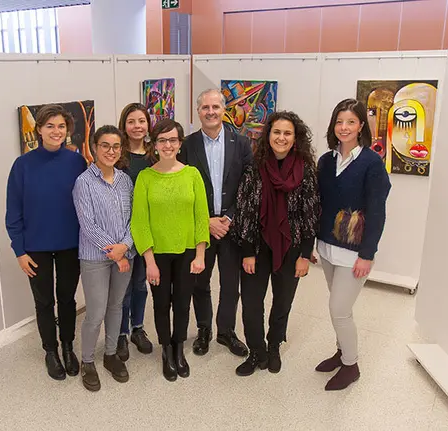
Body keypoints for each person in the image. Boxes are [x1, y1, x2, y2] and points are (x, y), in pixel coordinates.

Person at [230, 111, 320, 376]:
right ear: (268, 135)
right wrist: (247, 252)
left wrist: (305, 254)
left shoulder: (306, 170)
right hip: (256, 248)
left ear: (295, 138)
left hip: (291, 249)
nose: (281, 138)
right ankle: (256, 350)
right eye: (276, 132)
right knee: (251, 302)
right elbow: (245, 210)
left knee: (282, 302)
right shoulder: (253, 168)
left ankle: (274, 346)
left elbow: (311, 214)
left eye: (287, 133)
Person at [5, 104, 87, 381]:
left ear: (68, 130)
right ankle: (50, 351)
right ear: (38, 130)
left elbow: (86, 203)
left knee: (66, 299)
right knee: (43, 301)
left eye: (61, 126)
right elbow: (13, 210)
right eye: (50, 126)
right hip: (35, 247)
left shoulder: (76, 162)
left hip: (70, 244)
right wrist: (19, 250)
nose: (56, 131)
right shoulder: (23, 165)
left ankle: (67, 346)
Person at [314, 98, 391, 391]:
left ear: (361, 127)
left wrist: (367, 255)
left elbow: (377, 211)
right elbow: (319, 204)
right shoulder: (326, 160)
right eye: (339, 122)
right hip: (327, 249)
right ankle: (341, 351)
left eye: (350, 122)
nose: (344, 127)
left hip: (354, 253)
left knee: (339, 310)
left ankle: (351, 365)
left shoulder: (372, 163)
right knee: (339, 307)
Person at [131, 118, 209, 382]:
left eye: (172, 140)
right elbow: (139, 222)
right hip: (158, 254)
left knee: (183, 303)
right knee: (162, 303)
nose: (167, 145)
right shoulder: (145, 177)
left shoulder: (192, 174)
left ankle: (178, 348)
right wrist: (149, 261)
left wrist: (200, 255)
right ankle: (165, 349)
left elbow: (201, 217)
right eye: (162, 140)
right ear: (154, 144)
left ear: (179, 143)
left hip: (187, 251)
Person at [180, 88, 253, 358]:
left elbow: (248, 185)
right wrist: (206, 220)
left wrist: (230, 217)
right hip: (201, 227)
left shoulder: (242, 143)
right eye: (205, 107)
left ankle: (226, 332)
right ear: (198, 112)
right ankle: (203, 330)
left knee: (231, 283)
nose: (210, 112)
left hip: (231, 226)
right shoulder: (187, 146)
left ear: (224, 110)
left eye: (215, 107)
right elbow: (182, 190)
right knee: (199, 282)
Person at [73, 125, 134, 392]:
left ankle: (110, 355)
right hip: (95, 258)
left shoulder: (125, 181)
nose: (111, 151)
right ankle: (88, 361)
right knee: (95, 312)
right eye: (105, 146)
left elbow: (134, 219)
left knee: (116, 306)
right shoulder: (84, 182)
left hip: (124, 253)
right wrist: (115, 251)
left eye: (116, 146)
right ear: (94, 148)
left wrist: (125, 246)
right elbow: (88, 225)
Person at [115, 103, 154, 361]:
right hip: (122, 232)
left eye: (141, 121)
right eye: (132, 121)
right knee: (123, 288)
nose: (137, 126)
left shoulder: (155, 155)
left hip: (148, 231)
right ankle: (120, 333)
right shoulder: (117, 156)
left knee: (140, 284)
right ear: (124, 125)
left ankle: (138, 328)